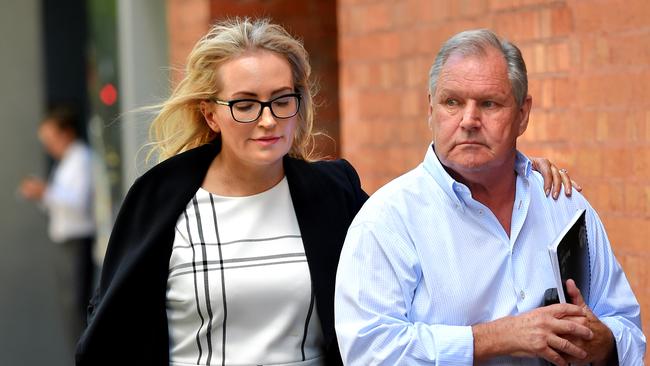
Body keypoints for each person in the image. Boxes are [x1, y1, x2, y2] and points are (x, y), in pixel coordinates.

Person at [76, 19, 576, 365]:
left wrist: (517, 168)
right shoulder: (160, 202)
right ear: (211, 113)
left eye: (282, 100)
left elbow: (426, 206)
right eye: (245, 104)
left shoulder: (332, 195)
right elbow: (113, 333)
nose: (268, 119)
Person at [334, 29, 646, 366]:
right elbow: (370, 352)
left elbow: (628, 328)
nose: (469, 120)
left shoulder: (562, 203)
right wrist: (498, 336)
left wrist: (603, 341)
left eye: (489, 103)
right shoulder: (387, 221)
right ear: (431, 109)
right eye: (452, 102)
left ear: (522, 115)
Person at [19, 105, 95, 355]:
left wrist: (46, 192)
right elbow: (59, 206)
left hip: (78, 242)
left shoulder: (81, 158)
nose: (49, 145)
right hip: (66, 243)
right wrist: (43, 195)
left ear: (66, 133)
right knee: (69, 310)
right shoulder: (66, 163)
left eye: (51, 138)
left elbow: (77, 203)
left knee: (77, 308)